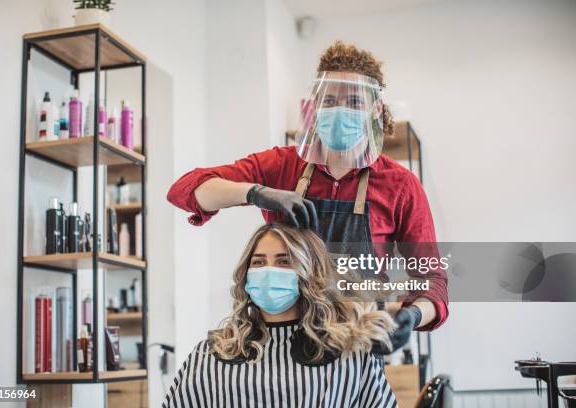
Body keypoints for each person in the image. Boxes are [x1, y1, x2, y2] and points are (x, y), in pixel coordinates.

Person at [168, 41, 448, 348]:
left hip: (357, 344)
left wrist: (413, 315)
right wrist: (256, 193)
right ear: (315, 107)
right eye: (329, 100)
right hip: (280, 342)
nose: (339, 111)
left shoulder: (400, 185)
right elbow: (186, 190)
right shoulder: (282, 165)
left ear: (376, 109)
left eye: (354, 102)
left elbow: (432, 280)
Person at [162, 223, 398, 408]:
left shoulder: (348, 354)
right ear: (246, 274)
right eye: (259, 262)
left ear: (310, 272)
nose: (269, 271)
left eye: (284, 261)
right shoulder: (212, 353)